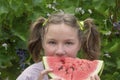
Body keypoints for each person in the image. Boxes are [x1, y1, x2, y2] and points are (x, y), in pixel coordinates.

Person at [16, 12, 101, 80]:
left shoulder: (88, 75)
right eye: (52, 42)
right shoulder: (29, 76)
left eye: (68, 43)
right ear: (42, 43)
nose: (60, 51)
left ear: (80, 44)